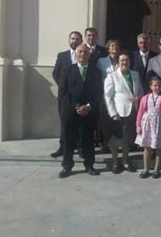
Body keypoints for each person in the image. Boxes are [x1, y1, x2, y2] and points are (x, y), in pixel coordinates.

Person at [58, 44, 102, 178]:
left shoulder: (96, 71)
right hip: (71, 111)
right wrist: (76, 106)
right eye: (80, 52)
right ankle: (67, 166)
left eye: (85, 52)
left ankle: (89, 165)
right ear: (76, 54)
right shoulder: (67, 70)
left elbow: (99, 93)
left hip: (88, 112)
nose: (82, 54)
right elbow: (63, 91)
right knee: (69, 139)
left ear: (89, 55)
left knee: (88, 139)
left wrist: (88, 106)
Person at [104, 53, 144, 174]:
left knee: (128, 138)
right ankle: (116, 162)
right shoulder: (112, 76)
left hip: (133, 111)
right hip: (118, 112)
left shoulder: (135, 75)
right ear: (118, 62)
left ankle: (125, 161)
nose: (124, 62)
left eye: (126, 60)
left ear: (130, 62)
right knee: (115, 139)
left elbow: (141, 91)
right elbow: (107, 96)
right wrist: (113, 113)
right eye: (122, 60)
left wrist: (138, 98)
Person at [51, 31, 83, 158]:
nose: (74, 41)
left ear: (81, 41)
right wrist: (64, 87)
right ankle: (63, 147)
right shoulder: (62, 56)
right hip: (65, 96)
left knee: (80, 122)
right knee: (65, 122)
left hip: (80, 95)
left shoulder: (84, 54)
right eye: (72, 38)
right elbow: (56, 73)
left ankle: (80, 148)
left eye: (77, 39)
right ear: (69, 40)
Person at [135, 76, 161, 179]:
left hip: (159, 126)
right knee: (147, 148)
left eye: (159, 86)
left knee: (159, 149)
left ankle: (157, 170)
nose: (157, 87)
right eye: (155, 85)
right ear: (151, 86)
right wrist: (138, 125)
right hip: (147, 126)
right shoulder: (145, 98)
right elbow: (140, 112)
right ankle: (146, 169)